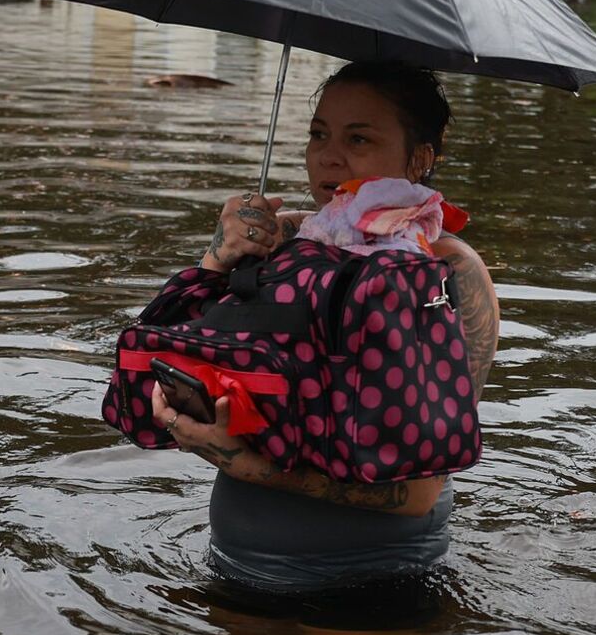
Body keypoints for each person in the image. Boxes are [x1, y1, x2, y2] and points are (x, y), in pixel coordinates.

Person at [146, 61, 500, 594]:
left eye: (358, 138)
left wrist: (248, 466)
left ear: (420, 158)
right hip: (235, 565)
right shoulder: (282, 241)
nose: (328, 157)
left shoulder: (446, 271)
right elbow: (168, 352)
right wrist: (219, 258)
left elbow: (419, 491)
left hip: (372, 582)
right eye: (318, 134)